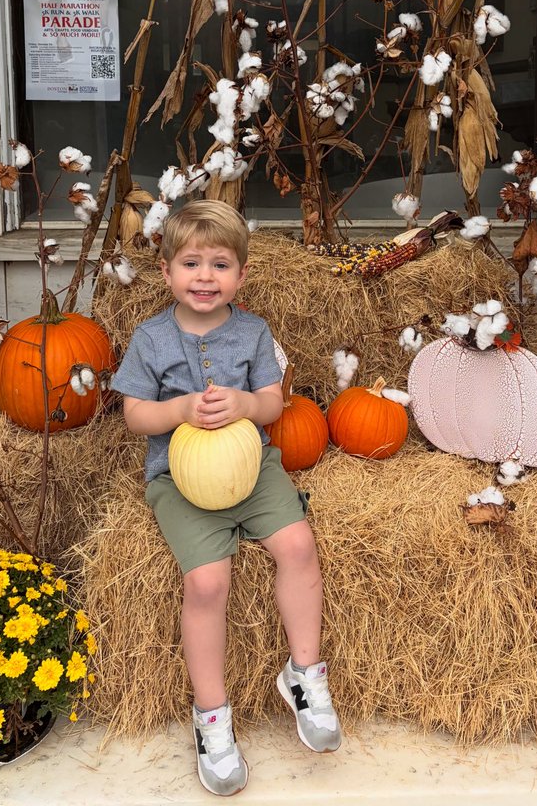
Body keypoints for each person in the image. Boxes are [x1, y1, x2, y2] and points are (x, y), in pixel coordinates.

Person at [112, 200, 341, 796]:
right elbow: (135, 416)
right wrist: (181, 410)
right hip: (179, 477)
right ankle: (212, 716)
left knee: (297, 544)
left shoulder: (253, 331)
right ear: (167, 273)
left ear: (241, 274)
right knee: (208, 582)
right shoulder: (151, 338)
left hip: (253, 466)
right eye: (191, 263)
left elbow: (272, 404)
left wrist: (245, 405)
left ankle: (304, 674)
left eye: (220, 264)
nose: (205, 277)